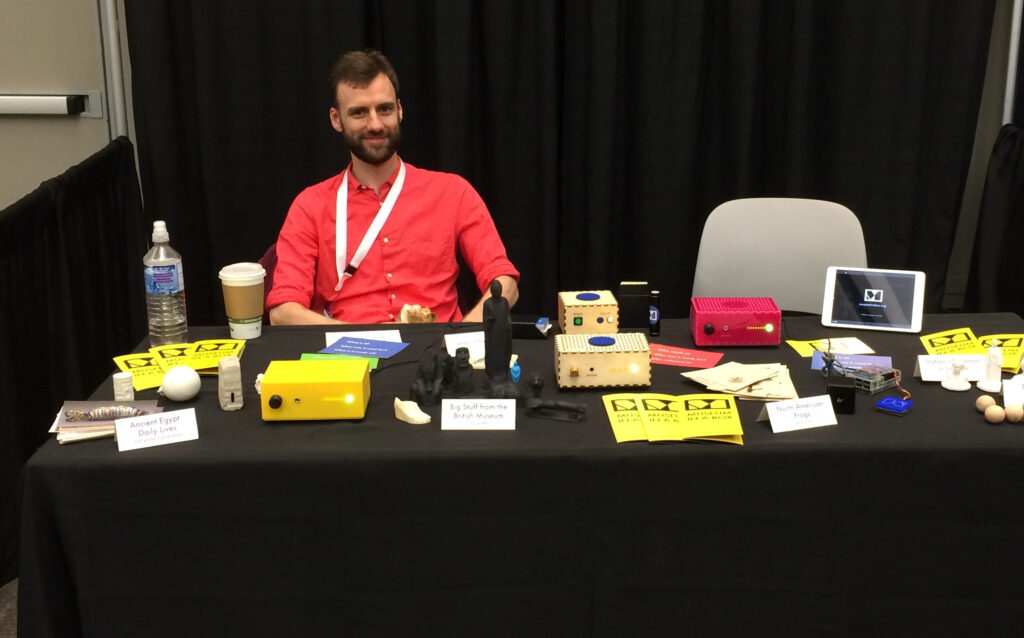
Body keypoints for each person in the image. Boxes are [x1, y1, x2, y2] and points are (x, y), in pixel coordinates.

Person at [267, 49, 520, 324]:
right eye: (359, 113)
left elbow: (504, 283)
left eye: (384, 109)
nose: (375, 124)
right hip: (347, 348)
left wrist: (463, 336)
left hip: (439, 346)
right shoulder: (310, 206)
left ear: (399, 110)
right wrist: (356, 341)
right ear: (336, 119)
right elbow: (283, 311)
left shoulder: (453, 192)